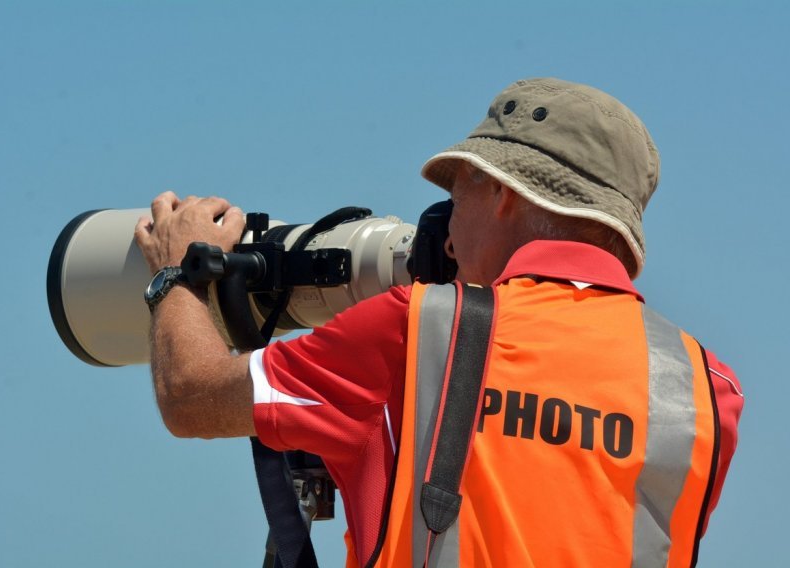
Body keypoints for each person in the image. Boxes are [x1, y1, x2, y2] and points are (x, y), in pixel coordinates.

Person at [134, 78, 743, 567]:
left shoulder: (418, 332)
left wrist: (176, 273)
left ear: (504, 194)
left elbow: (190, 397)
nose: (444, 230)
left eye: (458, 194)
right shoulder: (705, 391)